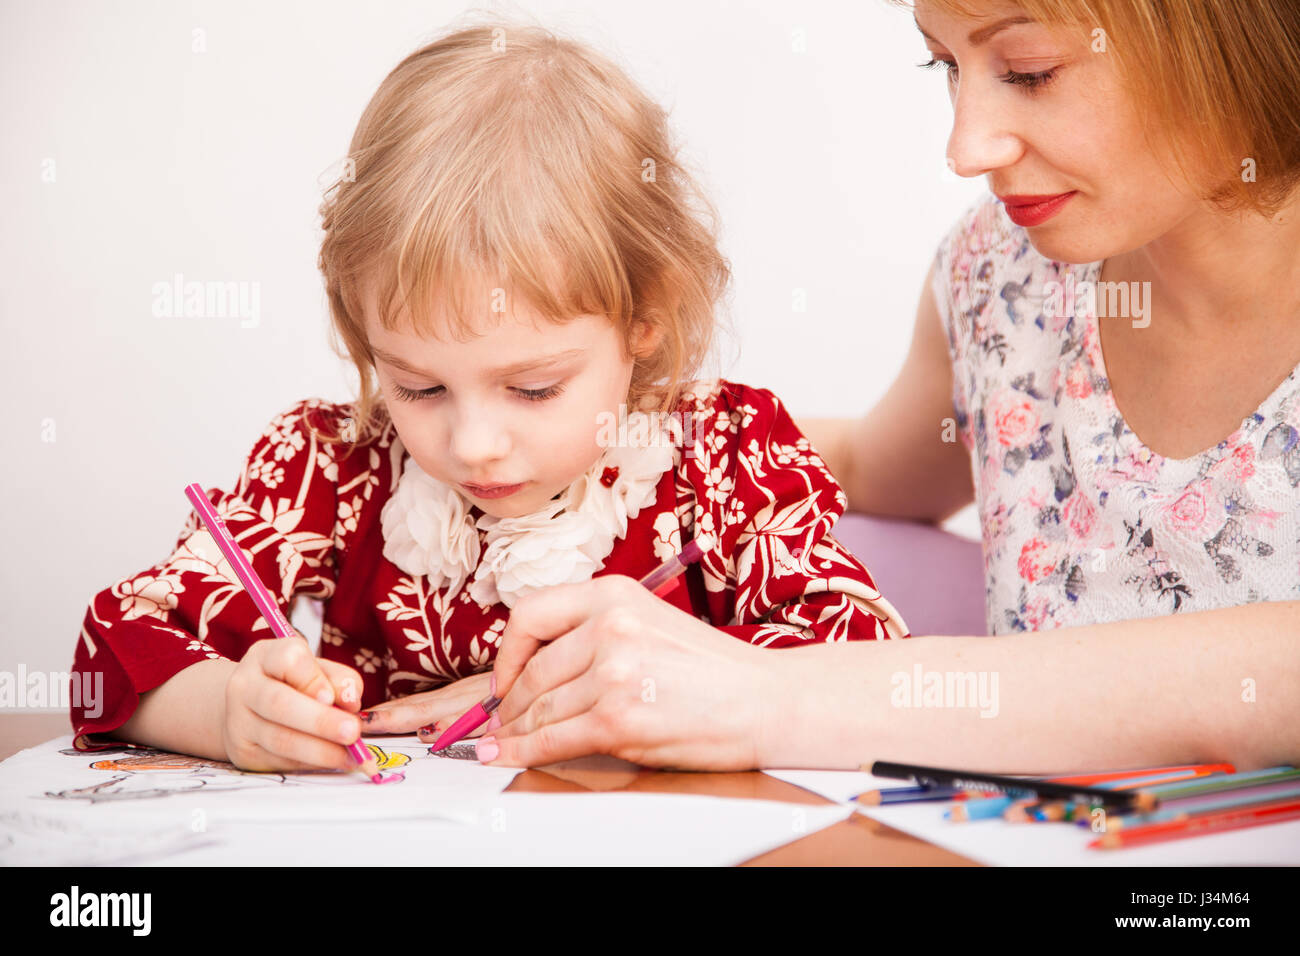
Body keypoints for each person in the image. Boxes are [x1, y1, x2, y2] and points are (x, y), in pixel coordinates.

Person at [480, 0, 1300, 772]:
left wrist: (772, 695)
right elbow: (871, 468)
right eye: (945, 64)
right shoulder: (1003, 277)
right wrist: (566, 426)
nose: (966, 148)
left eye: (1029, 71)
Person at [69, 22, 908, 772]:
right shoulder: (331, 466)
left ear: (645, 319)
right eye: (418, 384)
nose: (472, 442)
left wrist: (588, 687)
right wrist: (224, 711)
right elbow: (114, 648)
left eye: (533, 387)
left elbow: (858, 649)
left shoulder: (726, 456)